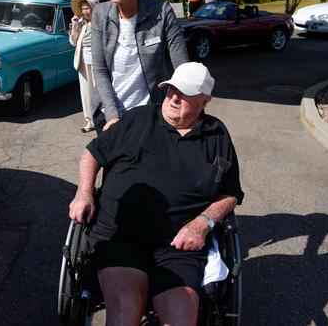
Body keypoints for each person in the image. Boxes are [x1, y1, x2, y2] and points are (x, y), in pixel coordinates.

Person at [69, 62, 244, 326]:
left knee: (181, 319)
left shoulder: (216, 135)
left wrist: (203, 223)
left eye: (185, 93)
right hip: (120, 236)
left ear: (204, 101)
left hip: (178, 247)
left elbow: (229, 194)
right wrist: (84, 193)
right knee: (126, 307)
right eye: (171, 89)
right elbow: (92, 153)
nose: (174, 98)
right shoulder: (138, 119)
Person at [91, 0, 189, 133]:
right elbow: (100, 70)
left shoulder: (161, 11)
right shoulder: (100, 14)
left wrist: (187, 105)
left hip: (151, 114)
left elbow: (182, 66)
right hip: (109, 113)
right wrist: (112, 116)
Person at [69, 0, 100, 133]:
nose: (85, 11)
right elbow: (73, 42)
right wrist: (75, 27)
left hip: (99, 63)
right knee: (86, 93)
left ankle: (103, 120)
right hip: (83, 62)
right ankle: (90, 122)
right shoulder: (81, 23)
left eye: (87, 8)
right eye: (83, 8)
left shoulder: (101, 22)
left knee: (100, 92)